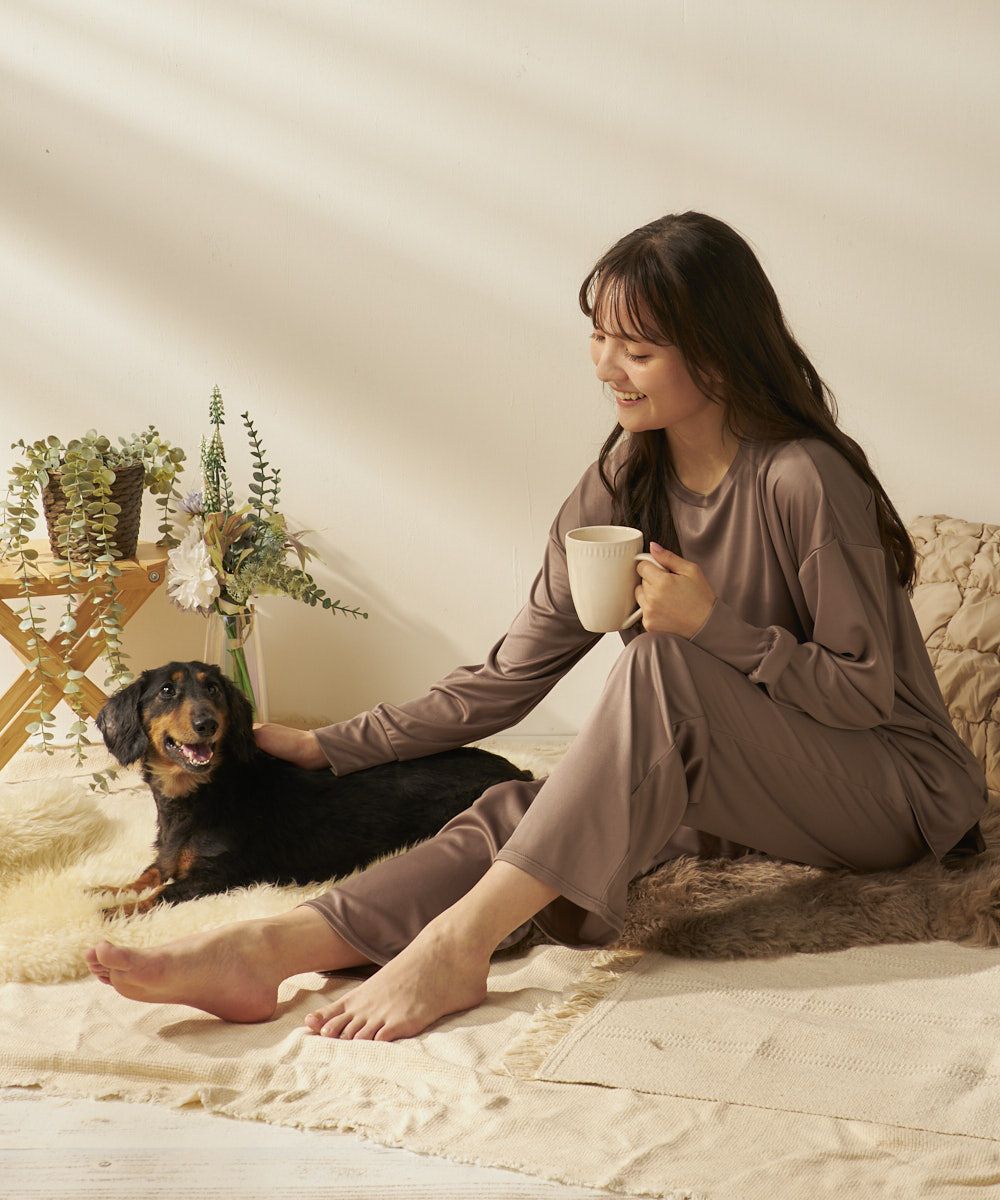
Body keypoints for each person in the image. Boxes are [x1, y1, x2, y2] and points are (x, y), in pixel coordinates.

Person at [86, 211, 988, 1041]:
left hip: (894, 793)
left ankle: (458, 946)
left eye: (638, 349)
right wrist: (333, 745)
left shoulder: (802, 478)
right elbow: (506, 677)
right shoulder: (624, 483)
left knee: (660, 667)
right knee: (518, 809)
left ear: (716, 354)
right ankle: (270, 950)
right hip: (756, 787)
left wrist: (714, 627)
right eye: (600, 338)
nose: (606, 367)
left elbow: (864, 693)